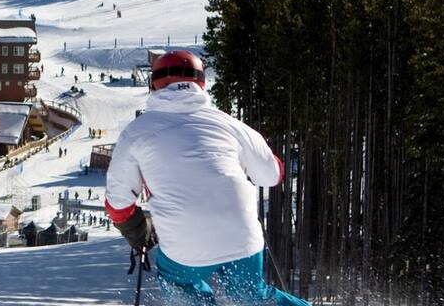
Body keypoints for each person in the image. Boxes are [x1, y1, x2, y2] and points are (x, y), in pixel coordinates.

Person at [104, 51, 307, 306]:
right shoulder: (228, 123)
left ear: (154, 83)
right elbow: (272, 174)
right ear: (201, 83)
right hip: (241, 236)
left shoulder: (138, 131)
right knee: (249, 295)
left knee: (179, 283)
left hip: (185, 244)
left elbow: (118, 203)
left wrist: (136, 229)